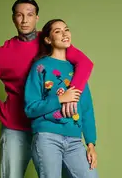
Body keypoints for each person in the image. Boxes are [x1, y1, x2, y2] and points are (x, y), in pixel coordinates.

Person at [0, 0, 94, 178]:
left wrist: (71, 96)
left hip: (51, 125)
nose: (24, 20)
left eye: (29, 15)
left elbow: (84, 63)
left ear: (37, 18)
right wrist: (0, 109)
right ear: (13, 19)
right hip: (16, 127)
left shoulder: (50, 40)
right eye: (19, 15)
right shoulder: (3, 53)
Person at [23, 19, 98, 178]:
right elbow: (30, 108)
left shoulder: (77, 70)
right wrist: (60, 99)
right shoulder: (40, 67)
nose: (64, 34)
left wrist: (91, 145)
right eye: (57, 31)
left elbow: (87, 109)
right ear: (48, 40)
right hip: (46, 137)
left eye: (66, 29)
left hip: (75, 141)